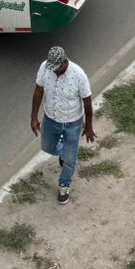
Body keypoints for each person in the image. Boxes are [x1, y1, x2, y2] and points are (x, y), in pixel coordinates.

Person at [29, 46, 95, 205]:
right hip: (50, 119)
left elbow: (87, 102)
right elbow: (38, 91)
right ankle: (63, 153)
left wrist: (88, 126)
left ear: (64, 61)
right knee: (47, 147)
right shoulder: (45, 67)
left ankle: (64, 185)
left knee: (71, 159)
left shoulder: (78, 75)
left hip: (73, 123)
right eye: (51, 67)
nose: (54, 71)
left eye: (56, 67)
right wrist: (34, 117)